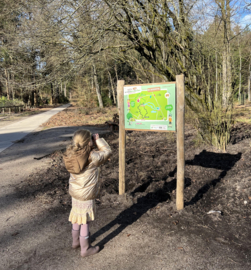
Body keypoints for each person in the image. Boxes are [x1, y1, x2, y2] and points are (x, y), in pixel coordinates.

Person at [63, 129, 112, 257]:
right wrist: (98, 140)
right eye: (91, 139)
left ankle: (75, 242)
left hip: (75, 193)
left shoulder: (71, 154)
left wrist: (92, 144)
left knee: (76, 217)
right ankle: (85, 249)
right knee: (85, 221)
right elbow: (107, 152)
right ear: (89, 141)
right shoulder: (92, 156)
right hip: (86, 194)